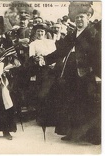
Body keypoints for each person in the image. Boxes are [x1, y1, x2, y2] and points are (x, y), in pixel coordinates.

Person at [38, 2, 100, 144]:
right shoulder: (72, 34)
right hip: (70, 72)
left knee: (88, 104)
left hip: (86, 72)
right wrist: (45, 59)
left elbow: (98, 54)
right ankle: (72, 133)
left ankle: (94, 136)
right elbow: (60, 51)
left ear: (89, 17)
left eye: (82, 17)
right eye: (77, 17)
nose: (79, 20)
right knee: (70, 102)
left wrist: (95, 70)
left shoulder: (93, 33)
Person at [29, 23, 57, 126]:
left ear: (45, 32)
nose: (40, 33)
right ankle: (42, 119)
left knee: (52, 92)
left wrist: (53, 64)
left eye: (42, 31)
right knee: (42, 94)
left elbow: (55, 55)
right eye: (38, 31)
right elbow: (31, 57)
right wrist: (38, 59)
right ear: (35, 33)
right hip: (41, 71)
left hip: (53, 70)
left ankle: (53, 119)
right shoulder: (33, 44)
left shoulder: (51, 42)